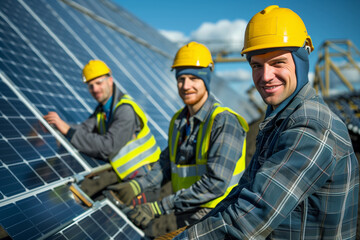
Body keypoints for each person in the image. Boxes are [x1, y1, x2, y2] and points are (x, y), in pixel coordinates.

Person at [173, 5, 359, 239]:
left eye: (278, 62)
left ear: (301, 61)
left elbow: (251, 216)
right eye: (256, 65)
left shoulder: (311, 126)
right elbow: (243, 193)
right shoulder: (279, 119)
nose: (265, 76)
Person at [107, 42, 249, 230]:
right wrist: (137, 186)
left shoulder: (223, 121)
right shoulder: (179, 121)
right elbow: (166, 164)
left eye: (193, 78)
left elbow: (215, 185)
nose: (186, 85)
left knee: (149, 231)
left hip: (216, 213)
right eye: (181, 79)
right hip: (185, 205)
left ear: (206, 80)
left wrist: (159, 207)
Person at [44, 60, 160, 198]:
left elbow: (108, 146)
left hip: (146, 180)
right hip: (127, 177)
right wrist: (59, 124)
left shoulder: (125, 110)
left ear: (110, 80)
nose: (95, 89)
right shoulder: (103, 110)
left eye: (99, 83)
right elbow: (85, 129)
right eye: (90, 86)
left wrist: (68, 131)